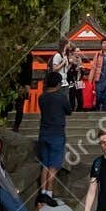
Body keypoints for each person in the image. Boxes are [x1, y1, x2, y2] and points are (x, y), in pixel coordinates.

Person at [36, 68, 71, 196]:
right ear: (58, 84)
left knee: (44, 165)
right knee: (54, 165)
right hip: (57, 133)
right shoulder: (61, 98)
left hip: (44, 132)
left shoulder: (41, 97)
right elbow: (69, 110)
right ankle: (49, 193)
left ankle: (43, 191)